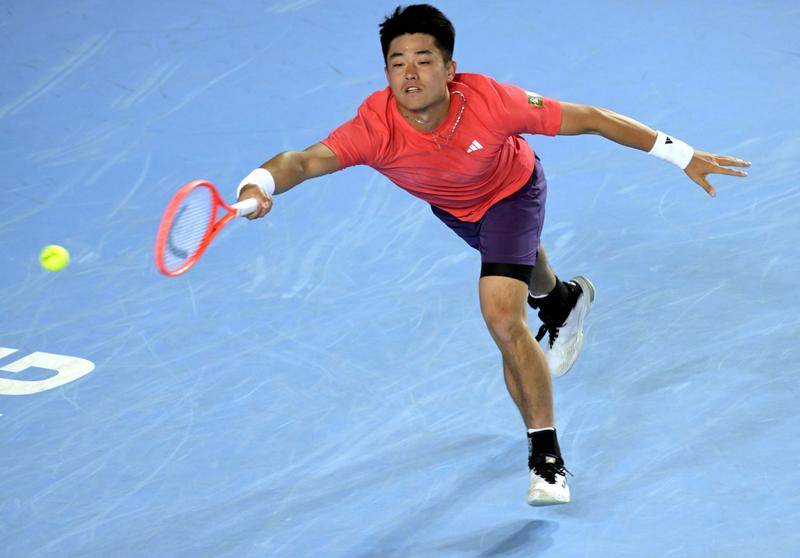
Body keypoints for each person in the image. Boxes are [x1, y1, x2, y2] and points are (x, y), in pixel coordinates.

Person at [235, 4, 750, 506]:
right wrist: (260, 184)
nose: (410, 73)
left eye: (423, 60)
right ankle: (563, 301)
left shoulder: (490, 102)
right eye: (397, 62)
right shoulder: (375, 127)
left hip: (512, 193)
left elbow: (591, 119)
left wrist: (682, 154)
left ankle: (546, 458)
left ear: (449, 69)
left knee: (502, 315)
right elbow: (303, 161)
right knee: (524, 271)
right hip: (456, 209)